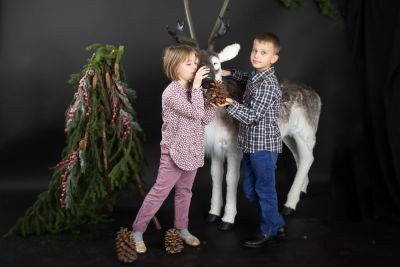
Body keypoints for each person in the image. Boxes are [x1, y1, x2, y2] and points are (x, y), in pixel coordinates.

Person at [131, 44, 215, 254]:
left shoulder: (195, 90)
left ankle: (182, 229)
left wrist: (213, 101)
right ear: (174, 67)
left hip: (193, 149)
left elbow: (205, 118)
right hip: (174, 152)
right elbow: (195, 113)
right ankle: (137, 232)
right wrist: (197, 89)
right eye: (189, 64)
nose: (195, 67)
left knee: (185, 191)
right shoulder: (171, 94)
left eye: (196, 62)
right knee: (159, 192)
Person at [219, 33, 287, 248]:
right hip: (250, 144)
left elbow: (252, 116)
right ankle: (277, 222)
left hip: (264, 147)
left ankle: (268, 230)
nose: (257, 55)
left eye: (263, 52)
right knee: (250, 189)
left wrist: (228, 103)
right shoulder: (258, 76)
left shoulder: (268, 85)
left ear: (273, 59)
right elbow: (247, 78)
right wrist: (228, 72)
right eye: (254, 50)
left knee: (264, 190)